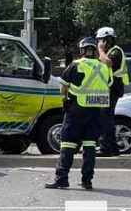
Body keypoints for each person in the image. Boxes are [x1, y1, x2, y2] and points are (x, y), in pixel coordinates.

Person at [45, 37, 111, 190]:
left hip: (77, 110)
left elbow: (63, 89)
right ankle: (87, 180)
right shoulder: (103, 68)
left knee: (67, 144)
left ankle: (62, 178)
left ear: (82, 50)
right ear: (94, 50)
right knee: (89, 146)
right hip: (96, 112)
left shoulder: (75, 65)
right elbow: (108, 84)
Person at [96, 26, 128, 156]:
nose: (99, 43)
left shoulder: (116, 51)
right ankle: (113, 148)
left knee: (105, 117)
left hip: (113, 88)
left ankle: (106, 148)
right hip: (107, 88)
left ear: (107, 40)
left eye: (100, 40)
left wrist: (100, 50)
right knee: (107, 117)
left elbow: (108, 63)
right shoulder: (108, 52)